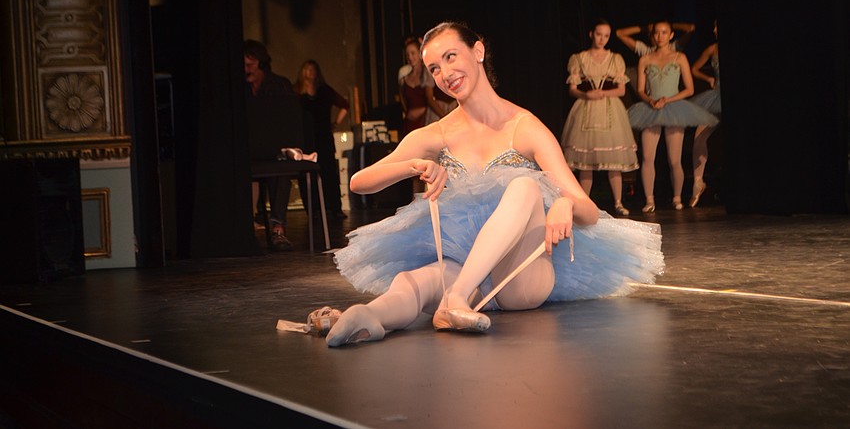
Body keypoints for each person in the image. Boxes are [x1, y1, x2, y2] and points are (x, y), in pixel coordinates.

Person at [325, 21, 664, 347]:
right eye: (433, 69)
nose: (444, 74)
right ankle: (365, 317)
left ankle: (454, 301)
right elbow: (360, 182)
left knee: (526, 187)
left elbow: (587, 211)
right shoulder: (438, 134)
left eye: (450, 57)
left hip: (520, 278)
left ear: (478, 51)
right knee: (417, 281)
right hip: (465, 265)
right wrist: (414, 164)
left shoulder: (524, 126)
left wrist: (564, 203)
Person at [627, 20, 718, 212]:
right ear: (652, 36)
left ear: (671, 35)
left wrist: (667, 100)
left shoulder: (680, 57)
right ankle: (649, 199)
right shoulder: (646, 59)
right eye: (657, 33)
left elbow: (689, 89)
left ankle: (677, 197)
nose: (660, 36)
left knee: (674, 159)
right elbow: (641, 89)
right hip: (651, 109)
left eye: (664, 32)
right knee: (647, 157)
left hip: (674, 107)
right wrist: (651, 101)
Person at [560, 19, 638, 217]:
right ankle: (583, 202)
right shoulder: (579, 58)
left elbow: (621, 90)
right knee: (586, 160)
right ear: (591, 34)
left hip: (609, 109)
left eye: (606, 35)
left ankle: (618, 202)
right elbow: (572, 90)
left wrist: (603, 94)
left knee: (613, 160)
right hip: (586, 109)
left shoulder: (615, 59)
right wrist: (586, 95)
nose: (602, 39)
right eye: (598, 34)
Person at [244, 39, 295, 250]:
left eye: (250, 64)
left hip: (274, 151)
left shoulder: (279, 85)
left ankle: (277, 229)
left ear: (262, 63)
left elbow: (287, 121)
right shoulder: (237, 88)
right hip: (247, 152)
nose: (246, 69)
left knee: (281, 171)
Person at [294, 59, 350, 220]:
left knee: (329, 173)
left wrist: (335, 123)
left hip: (323, 136)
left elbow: (345, 105)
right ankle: (313, 211)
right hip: (305, 138)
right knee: (307, 175)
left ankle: (335, 208)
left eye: (313, 70)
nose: (310, 73)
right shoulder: (296, 91)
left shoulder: (324, 90)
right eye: (307, 69)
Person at [688, 20, 721, 207]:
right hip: (715, 97)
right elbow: (694, 69)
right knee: (699, 137)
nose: (714, 30)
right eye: (714, 26)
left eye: (717, 26)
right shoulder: (712, 49)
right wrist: (708, 77)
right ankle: (698, 182)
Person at [398, 35, 442, 136]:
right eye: (407, 54)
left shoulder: (427, 74)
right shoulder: (403, 80)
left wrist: (444, 117)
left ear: (419, 54)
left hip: (426, 122)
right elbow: (404, 104)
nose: (410, 57)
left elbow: (430, 99)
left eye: (413, 53)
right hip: (409, 125)